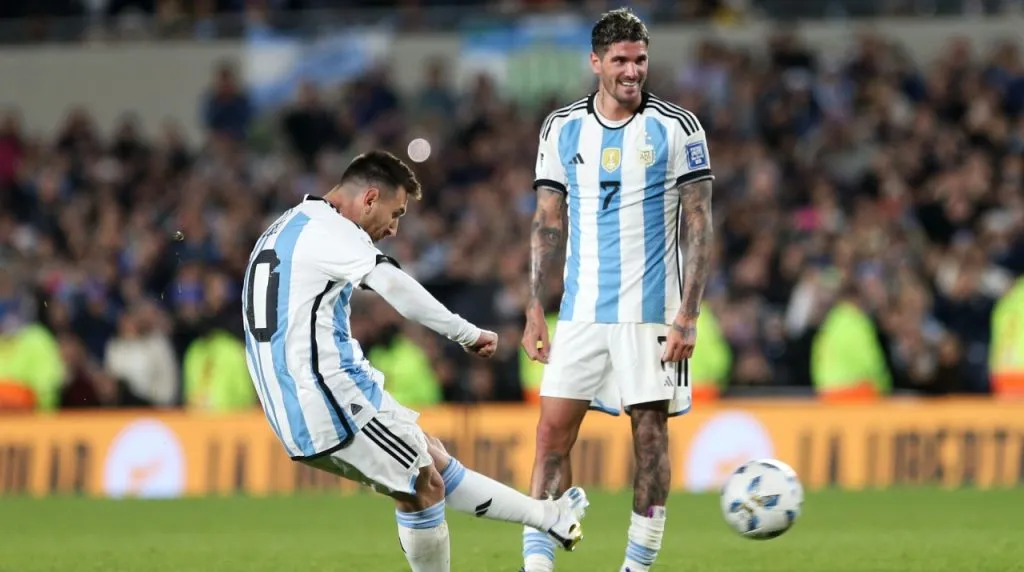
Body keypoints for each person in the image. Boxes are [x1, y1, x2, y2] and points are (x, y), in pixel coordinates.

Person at [242, 150, 589, 572]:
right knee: (423, 487)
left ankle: (548, 517)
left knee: (432, 456)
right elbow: (392, 284)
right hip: (325, 397)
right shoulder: (330, 230)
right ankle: (546, 517)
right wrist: (466, 332)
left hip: (302, 395)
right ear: (370, 198)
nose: (393, 228)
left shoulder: (283, 227)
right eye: (396, 212)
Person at [520, 8, 715, 572]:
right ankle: (538, 565)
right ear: (596, 62)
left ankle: (636, 566)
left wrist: (689, 315)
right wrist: (535, 305)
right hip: (580, 312)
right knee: (551, 432)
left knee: (649, 437)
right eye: (621, 60)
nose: (633, 71)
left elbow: (699, 223)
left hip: (652, 312)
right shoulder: (561, 127)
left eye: (641, 60)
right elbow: (547, 220)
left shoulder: (679, 127)